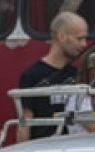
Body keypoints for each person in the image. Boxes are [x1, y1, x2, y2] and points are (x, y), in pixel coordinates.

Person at [16, 11, 90, 141]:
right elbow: (25, 123)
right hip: (43, 150)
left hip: (74, 149)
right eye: (79, 38)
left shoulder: (78, 75)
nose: (84, 44)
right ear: (61, 36)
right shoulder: (32, 75)